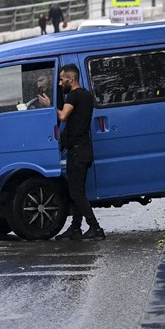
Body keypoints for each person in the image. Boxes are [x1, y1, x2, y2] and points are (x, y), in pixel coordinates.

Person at [55, 64, 105, 241]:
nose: (60, 83)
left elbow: (63, 116)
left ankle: (95, 228)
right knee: (78, 191)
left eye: (62, 79)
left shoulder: (74, 95)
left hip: (77, 151)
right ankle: (75, 228)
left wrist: (50, 106)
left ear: (71, 79)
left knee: (76, 193)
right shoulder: (86, 95)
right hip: (83, 149)